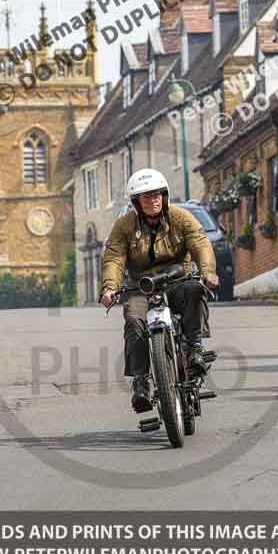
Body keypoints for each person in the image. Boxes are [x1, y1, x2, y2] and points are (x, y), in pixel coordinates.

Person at [100, 169, 218, 413]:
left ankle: (194, 348)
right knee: (134, 321)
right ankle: (141, 381)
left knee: (195, 289)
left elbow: (200, 243)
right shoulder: (124, 226)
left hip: (178, 281)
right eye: (146, 197)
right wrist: (110, 288)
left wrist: (207, 272)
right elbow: (114, 258)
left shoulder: (181, 218)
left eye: (157, 195)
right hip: (141, 288)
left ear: (164, 196)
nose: (153, 201)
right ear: (136, 202)